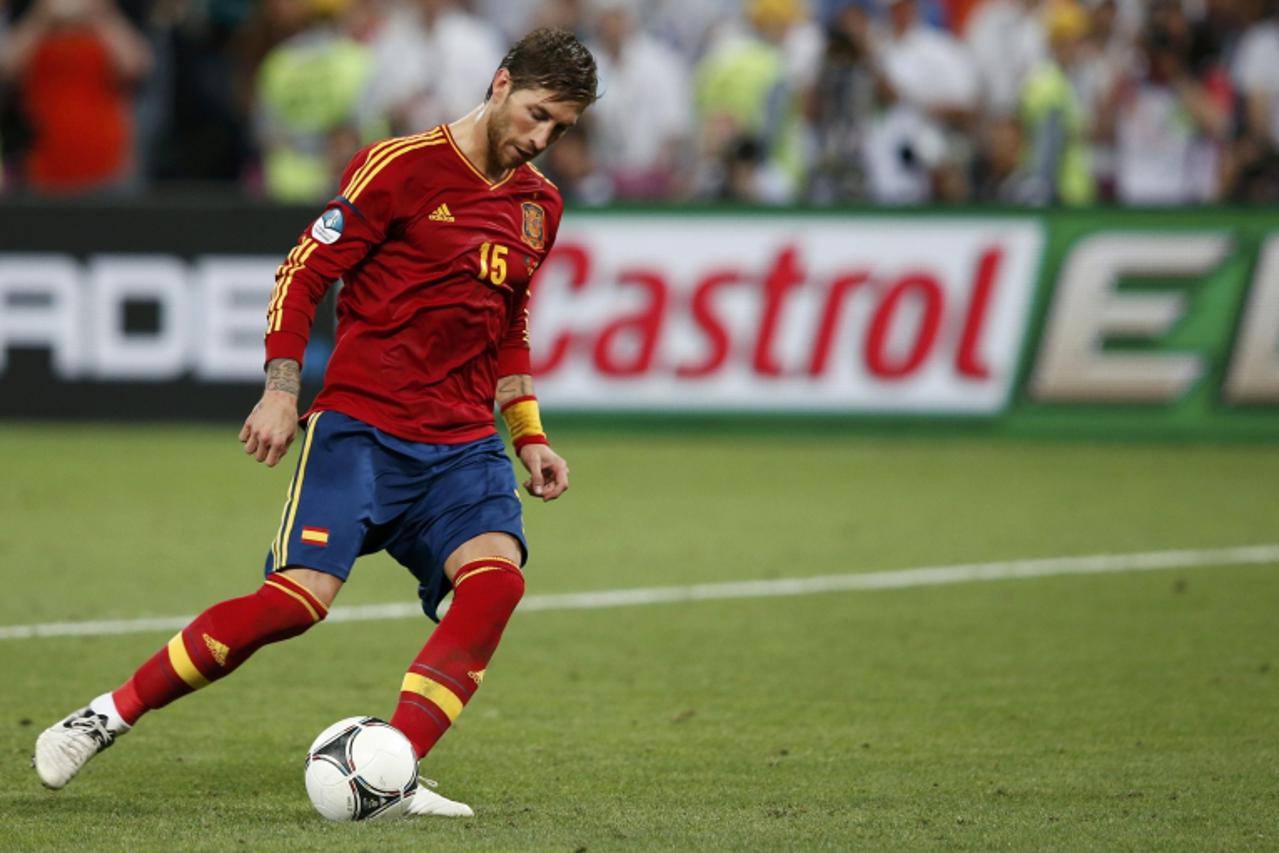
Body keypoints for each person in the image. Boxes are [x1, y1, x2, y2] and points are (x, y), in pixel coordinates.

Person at [32, 26, 597, 819]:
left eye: (560, 129)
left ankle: (393, 766)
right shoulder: (400, 167)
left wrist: (530, 436)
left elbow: (510, 328)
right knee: (295, 602)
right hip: (362, 428)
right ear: (500, 84)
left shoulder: (540, 205)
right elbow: (304, 271)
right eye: (536, 114)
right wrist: (279, 386)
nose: (541, 139)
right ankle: (109, 712)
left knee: (495, 582)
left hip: (463, 443)